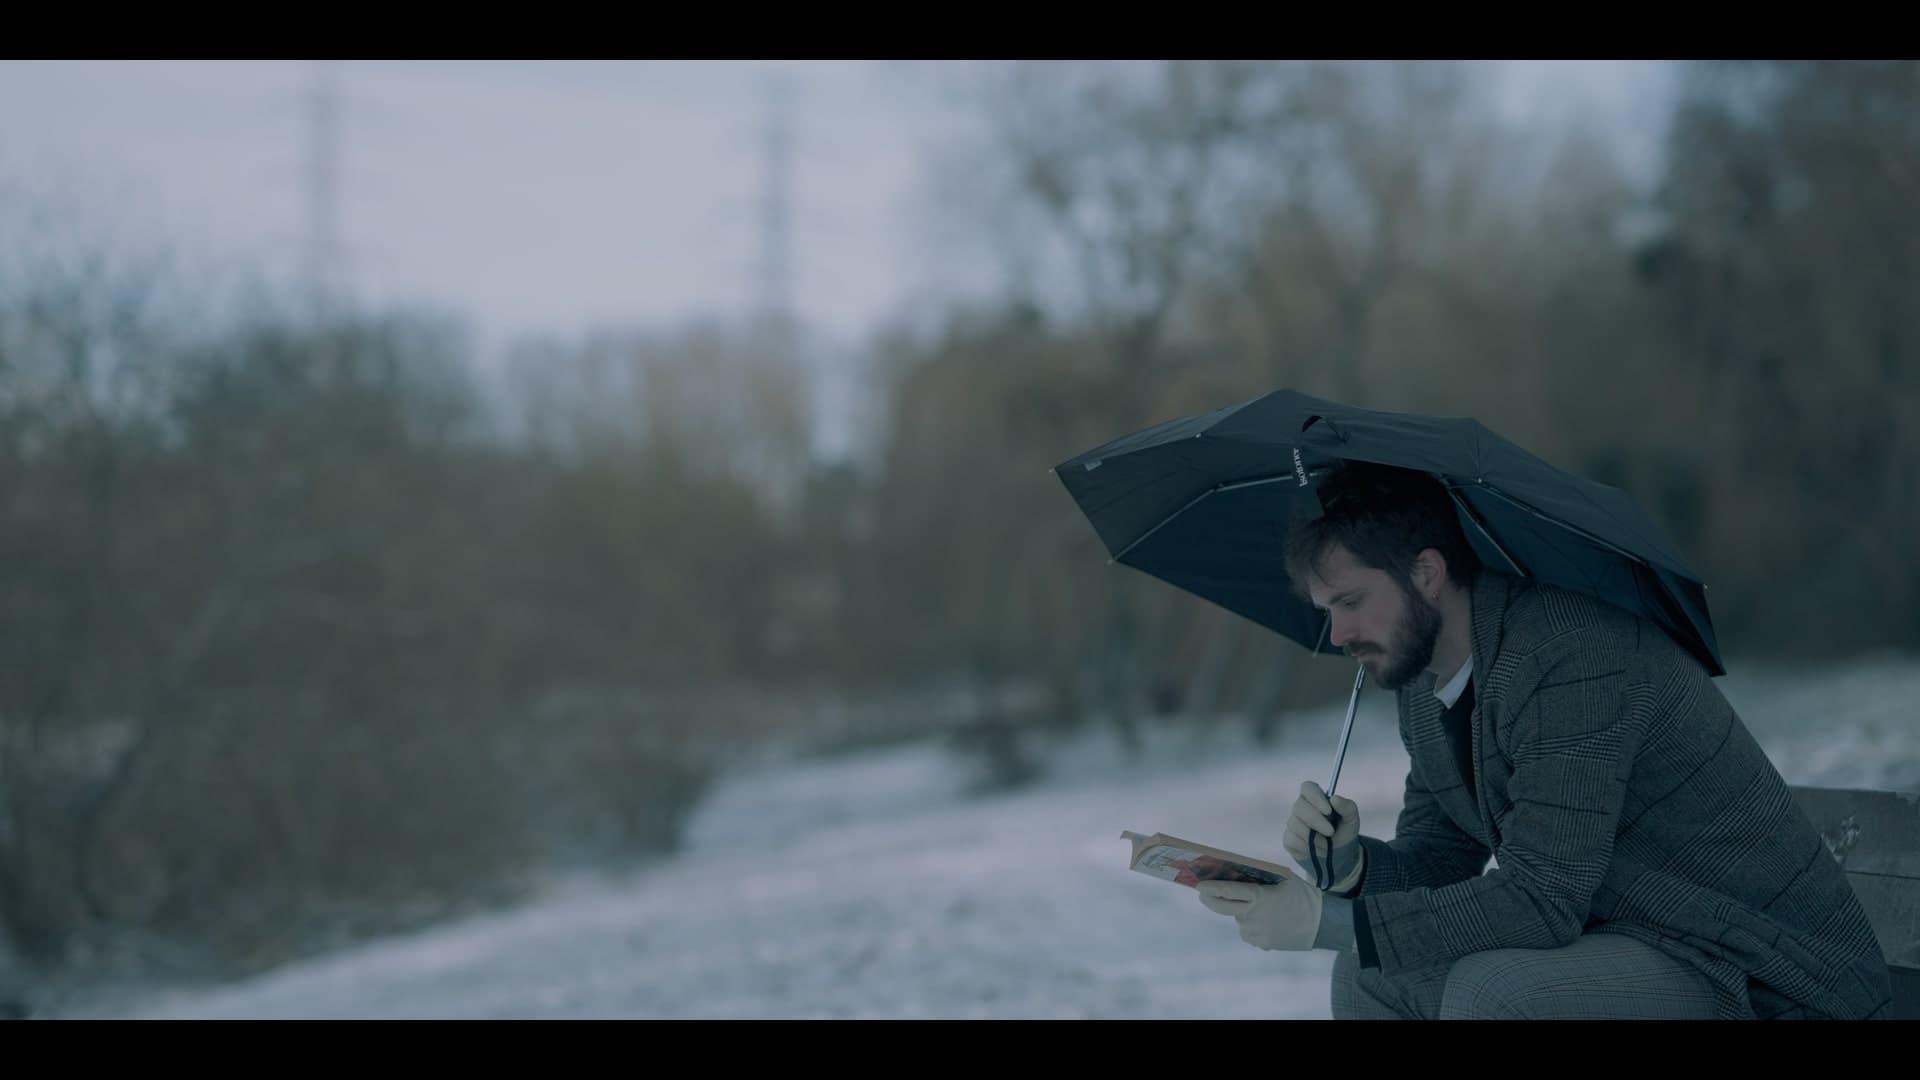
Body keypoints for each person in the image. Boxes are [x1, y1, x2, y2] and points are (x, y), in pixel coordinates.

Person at [1192, 460, 1893, 1020]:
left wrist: (1328, 921)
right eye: (1327, 610)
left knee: (1498, 993)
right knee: (1373, 980)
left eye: (1351, 602)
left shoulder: (1570, 655)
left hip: (1753, 965)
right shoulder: (1422, 683)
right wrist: (1350, 869)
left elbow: (1542, 900)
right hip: (1628, 934)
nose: (1338, 634)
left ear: (1427, 575)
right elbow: (1441, 858)